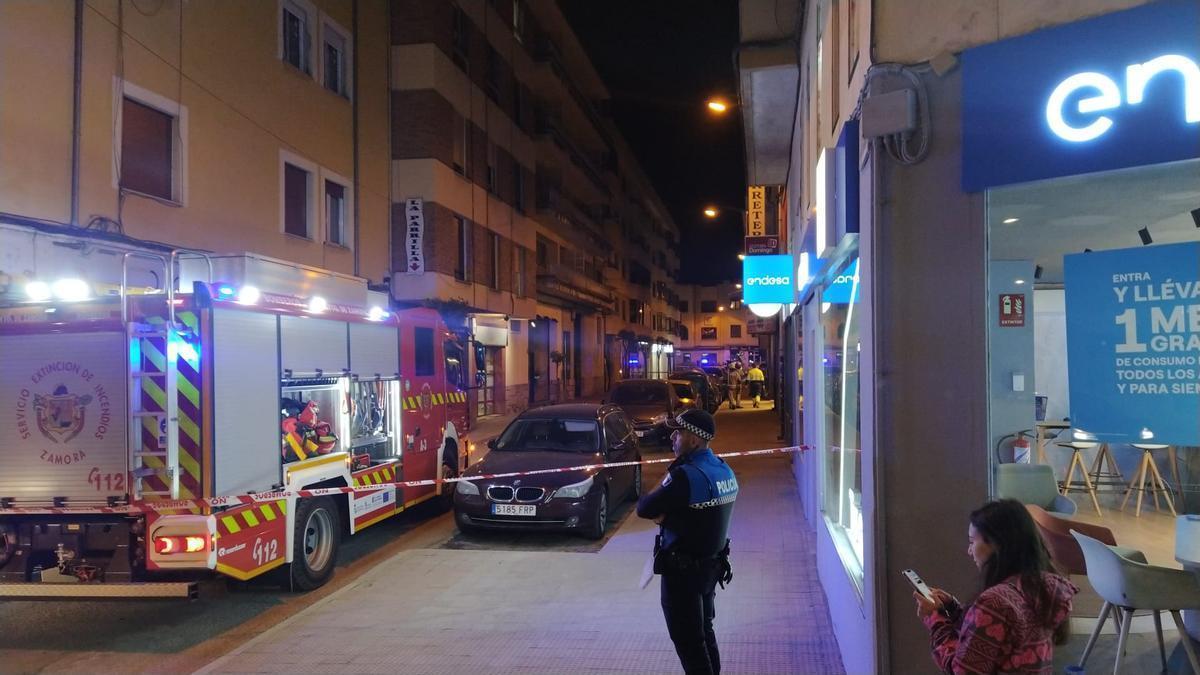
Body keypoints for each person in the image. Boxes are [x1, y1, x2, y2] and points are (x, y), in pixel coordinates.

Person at [914, 499, 1078, 674]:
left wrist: (936, 621)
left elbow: (963, 671)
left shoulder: (994, 602)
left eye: (972, 541)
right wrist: (953, 609)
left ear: (996, 544)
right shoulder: (1043, 586)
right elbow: (998, 636)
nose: (970, 551)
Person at [637, 409, 738, 675]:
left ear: (694, 440)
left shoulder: (686, 475)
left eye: (678, 432)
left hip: (682, 576)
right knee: (705, 634)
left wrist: (667, 509)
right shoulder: (724, 469)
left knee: (690, 645)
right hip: (709, 570)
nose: (672, 437)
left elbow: (645, 507)